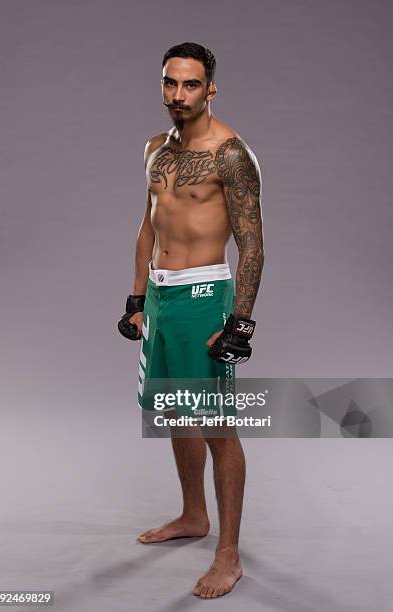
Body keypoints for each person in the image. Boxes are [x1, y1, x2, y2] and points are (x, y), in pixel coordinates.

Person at [118, 42, 264, 599]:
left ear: (211, 88)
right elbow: (148, 225)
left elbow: (252, 243)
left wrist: (241, 322)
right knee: (174, 412)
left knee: (217, 427)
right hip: (161, 298)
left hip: (206, 296)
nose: (178, 95)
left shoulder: (231, 154)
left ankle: (228, 554)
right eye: (170, 83)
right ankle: (192, 515)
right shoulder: (156, 148)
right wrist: (136, 300)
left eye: (191, 85)